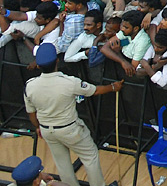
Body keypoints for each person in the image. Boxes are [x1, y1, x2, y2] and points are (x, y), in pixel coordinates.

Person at [24, 44, 122, 186]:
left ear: (38, 66)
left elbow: (31, 113)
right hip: (70, 129)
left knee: (62, 163)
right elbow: (94, 90)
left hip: (47, 129)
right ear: (57, 61)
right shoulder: (69, 82)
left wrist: (38, 126)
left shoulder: (30, 85)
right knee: (90, 156)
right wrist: (113, 87)